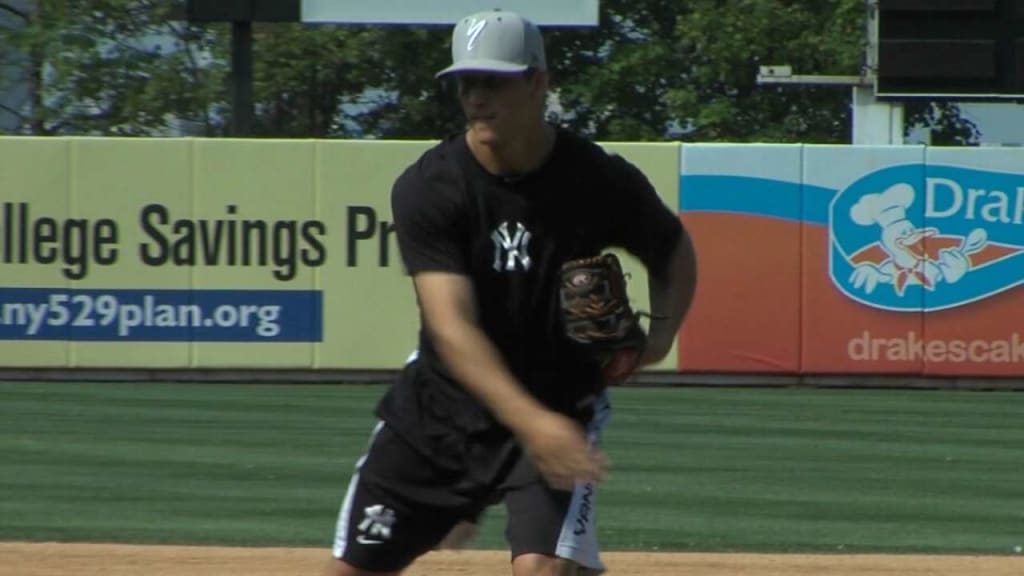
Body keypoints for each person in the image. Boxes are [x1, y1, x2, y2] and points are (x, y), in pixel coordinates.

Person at [322, 9, 697, 576]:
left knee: (540, 568)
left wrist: (662, 335)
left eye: (494, 81)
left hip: (559, 403)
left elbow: (673, 251)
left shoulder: (598, 181)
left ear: (539, 82)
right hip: (439, 414)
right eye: (467, 83)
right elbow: (452, 327)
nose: (477, 96)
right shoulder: (430, 186)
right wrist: (531, 423)